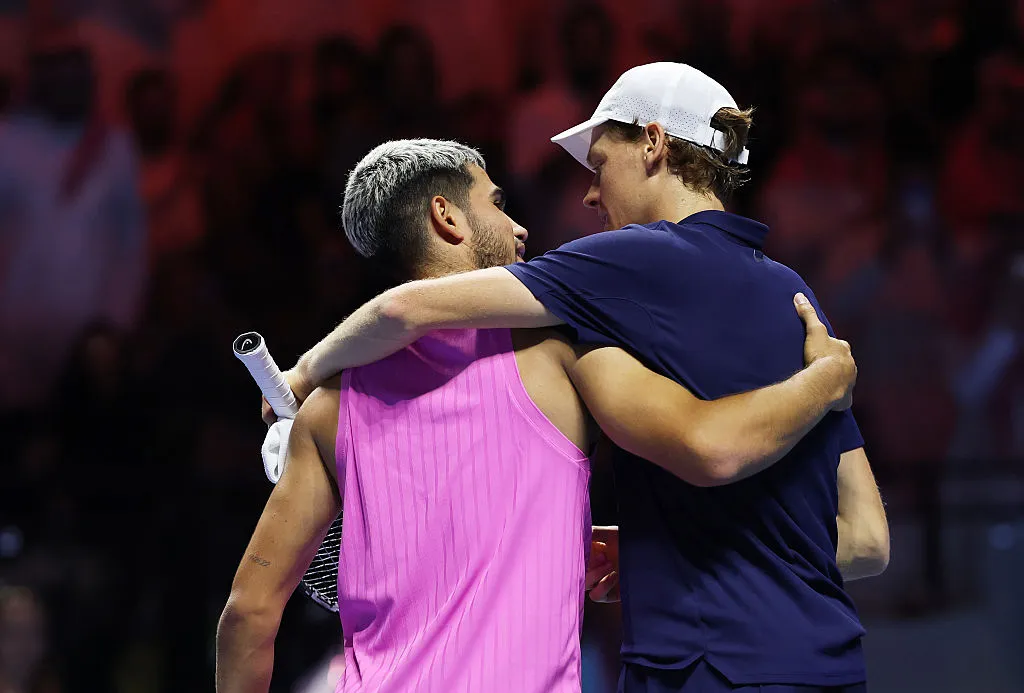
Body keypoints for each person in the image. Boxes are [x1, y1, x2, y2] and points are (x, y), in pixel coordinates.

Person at [279, 64, 890, 693]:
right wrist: (660, 553)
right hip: (828, 665)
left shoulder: (627, 262)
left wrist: (298, 379)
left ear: (653, 144)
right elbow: (868, 540)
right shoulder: (798, 299)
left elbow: (403, 309)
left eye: (599, 165)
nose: (590, 196)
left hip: (704, 669)